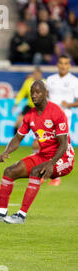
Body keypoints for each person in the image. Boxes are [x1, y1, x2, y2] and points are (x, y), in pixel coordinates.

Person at [0, 80, 74, 224]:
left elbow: (63, 145)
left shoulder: (56, 112)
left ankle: (21, 216)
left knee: (36, 171)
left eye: (38, 92)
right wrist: (6, 151)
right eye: (32, 93)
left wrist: (51, 164)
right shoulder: (29, 115)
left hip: (63, 157)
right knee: (9, 171)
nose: (34, 95)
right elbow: (18, 138)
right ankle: (1, 214)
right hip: (43, 155)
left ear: (45, 93)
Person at [45, 55, 78, 185]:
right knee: (41, 143)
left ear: (69, 66)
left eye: (66, 63)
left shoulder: (74, 81)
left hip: (64, 117)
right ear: (57, 64)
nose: (63, 66)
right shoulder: (50, 79)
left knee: (58, 145)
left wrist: (68, 104)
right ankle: (44, 172)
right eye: (61, 63)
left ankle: (56, 177)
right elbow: (46, 96)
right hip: (48, 117)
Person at [12, 68, 44, 152]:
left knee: (40, 127)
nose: (36, 75)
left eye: (37, 74)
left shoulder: (45, 82)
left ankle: (42, 146)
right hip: (30, 106)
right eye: (35, 74)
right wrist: (16, 103)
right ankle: (15, 141)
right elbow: (22, 93)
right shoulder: (28, 82)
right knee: (18, 122)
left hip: (40, 108)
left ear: (41, 74)